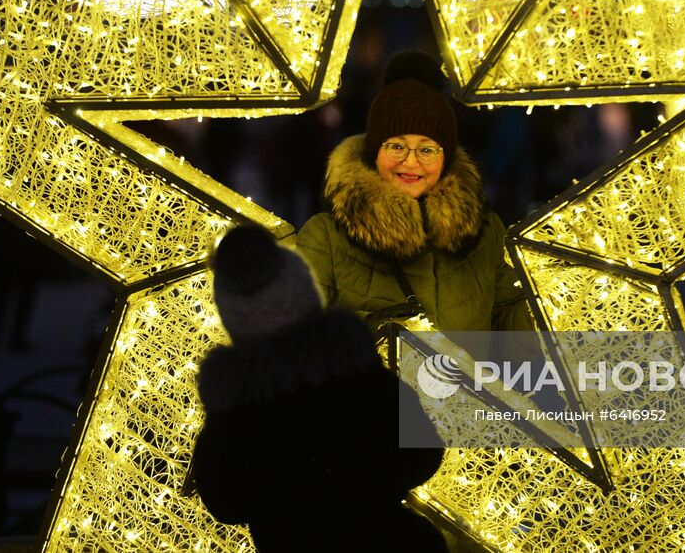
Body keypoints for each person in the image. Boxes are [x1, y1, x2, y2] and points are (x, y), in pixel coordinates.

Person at [192, 223, 446, 552]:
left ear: (233, 319)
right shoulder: (359, 379)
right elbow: (424, 453)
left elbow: (224, 502)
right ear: (305, 294)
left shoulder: (235, 420)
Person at [295, 51, 533, 332]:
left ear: (446, 158)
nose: (410, 161)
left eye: (427, 149)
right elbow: (302, 342)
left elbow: (512, 331)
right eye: (396, 146)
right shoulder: (326, 239)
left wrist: (548, 302)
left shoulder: (485, 234)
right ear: (374, 151)